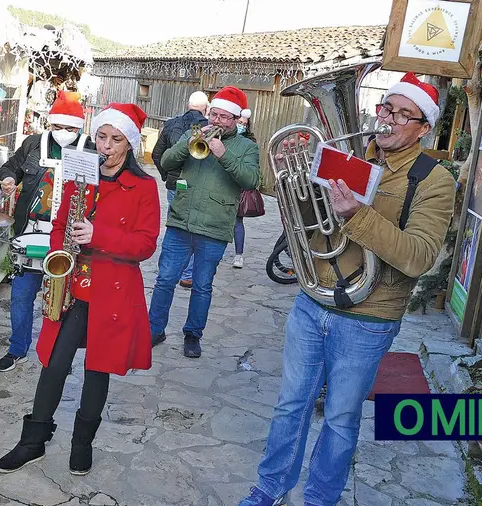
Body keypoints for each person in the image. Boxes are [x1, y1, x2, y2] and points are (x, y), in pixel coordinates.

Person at [239, 73, 456, 506]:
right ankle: (270, 488)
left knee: (339, 416)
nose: (388, 120)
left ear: (424, 127)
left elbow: (418, 256)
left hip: (369, 315)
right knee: (290, 405)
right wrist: (293, 178)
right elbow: (305, 215)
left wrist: (358, 214)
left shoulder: (434, 182)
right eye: (385, 108)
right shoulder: (341, 155)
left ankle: (320, 498)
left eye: (402, 114)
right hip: (313, 298)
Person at [0, 103, 160, 477]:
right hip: (72, 283)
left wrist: (99, 235)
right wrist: (56, 263)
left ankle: (81, 444)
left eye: (116, 139)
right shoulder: (82, 173)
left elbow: (146, 245)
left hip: (113, 289)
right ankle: (33, 441)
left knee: (97, 369)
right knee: (54, 362)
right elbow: (60, 224)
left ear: (130, 144)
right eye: (101, 136)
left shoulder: (145, 186)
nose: (105, 145)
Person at [148, 86, 260, 357]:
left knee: (202, 285)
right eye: (214, 114)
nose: (217, 121)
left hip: (214, 228)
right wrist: (188, 145)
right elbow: (165, 160)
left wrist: (223, 153)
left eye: (224, 117)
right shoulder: (192, 133)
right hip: (180, 222)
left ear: (236, 120)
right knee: (165, 280)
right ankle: (154, 329)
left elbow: (252, 181)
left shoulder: (247, 147)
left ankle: (192, 335)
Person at [0, 90, 93, 372]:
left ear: (80, 127)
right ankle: (17, 348)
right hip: (32, 231)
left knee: (64, 300)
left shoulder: (90, 148)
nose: (63, 133)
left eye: (70, 128)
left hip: (70, 239)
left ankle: (58, 353)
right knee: (22, 295)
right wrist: (9, 178)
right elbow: (10, 166)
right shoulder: (33, 144)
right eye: (58, 127)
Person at [151, 90, 209, 288]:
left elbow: (157, 154)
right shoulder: (207, 127)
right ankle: (187, 273)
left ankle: (167, 270)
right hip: (196, 186)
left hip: (175, 184)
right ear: (206, 107)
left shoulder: (171, 124)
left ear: (187, 104)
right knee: (193, 228)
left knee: (173, 226)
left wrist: (167, 176)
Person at [232, 109, 256, 269]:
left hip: (239, 185)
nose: (241, 126)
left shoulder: (250, 143)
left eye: (244, 124)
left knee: (237, 221)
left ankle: (238, 255)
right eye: (239, 122)